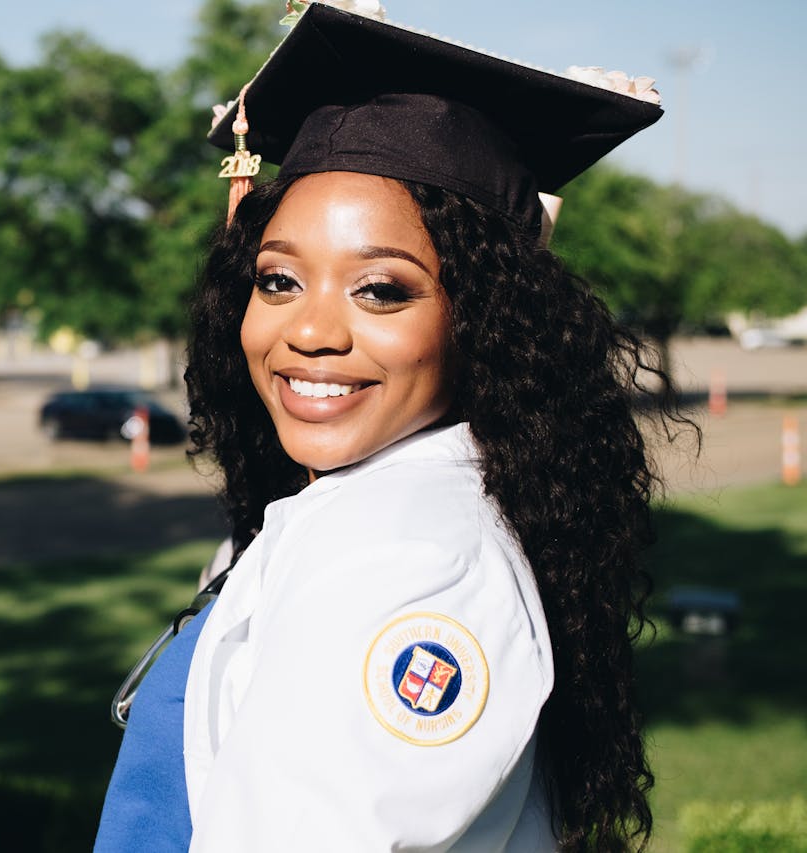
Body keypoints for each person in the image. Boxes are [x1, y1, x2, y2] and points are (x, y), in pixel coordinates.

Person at [96, 4, 686, 850]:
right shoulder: (344, 507)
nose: (310, 330)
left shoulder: (409, 558)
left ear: (483, 320)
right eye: (279, 281)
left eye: (380, 290)